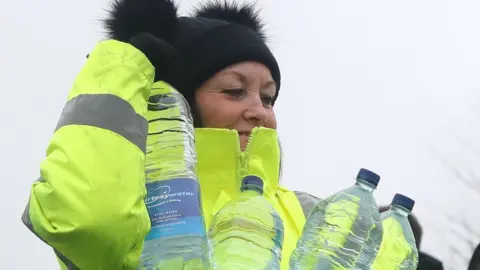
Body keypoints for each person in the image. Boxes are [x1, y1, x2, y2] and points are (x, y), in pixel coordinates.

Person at [20, 0, 423, 269]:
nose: (259, 112)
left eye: (268, 98)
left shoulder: (308, 212)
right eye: (234, 91)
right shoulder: (133, 205)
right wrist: (125, 62)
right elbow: (89, 221)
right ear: (178, 100)